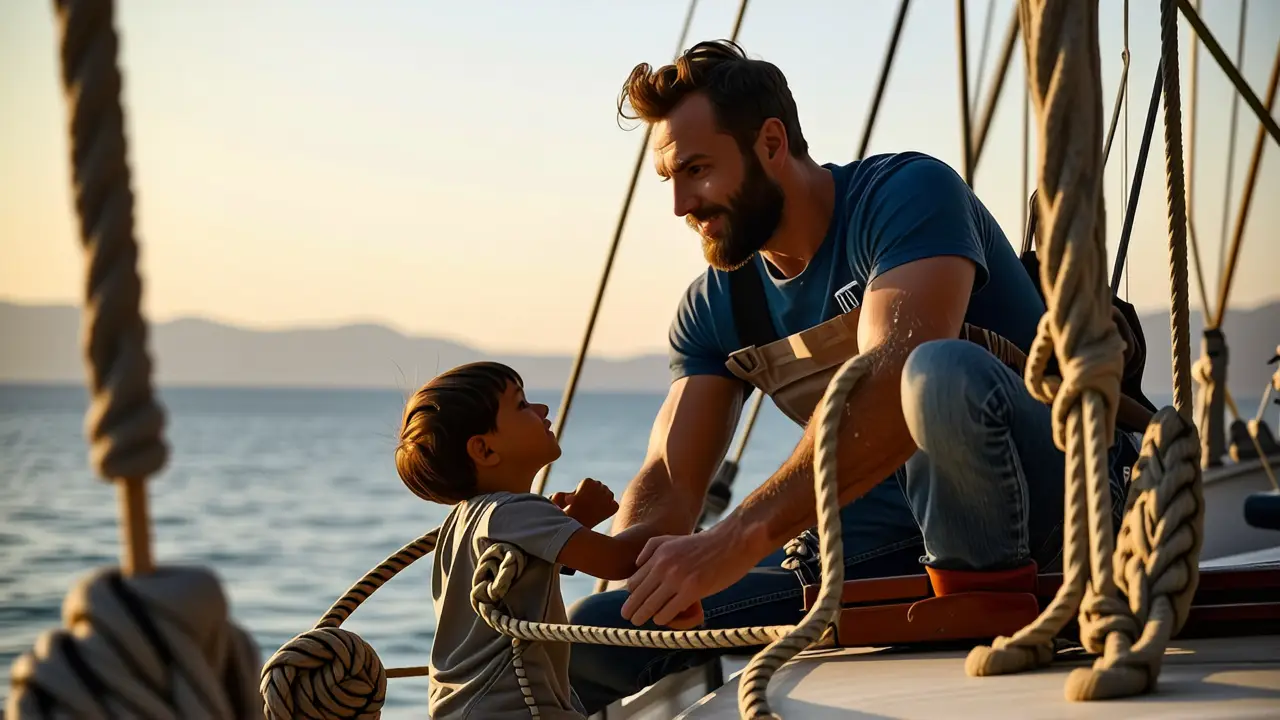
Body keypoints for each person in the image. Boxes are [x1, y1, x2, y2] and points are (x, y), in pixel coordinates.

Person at [565, 39, 1140, 714]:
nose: (680, 203)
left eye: (697, 169)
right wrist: (598, 551)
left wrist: (734, 540)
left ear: (771, 143)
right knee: (597, 634)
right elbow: (669, 476)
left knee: (935, 371)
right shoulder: (717, 306)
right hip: (873, 546)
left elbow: (893, 382)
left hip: (1053, 500)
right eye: (670, 178)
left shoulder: (905, 196)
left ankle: (978, 607)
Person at [396, 362, 696, 720]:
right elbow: (619, 561)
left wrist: (575, 522)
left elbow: (520, 576)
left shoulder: (461, 523)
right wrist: (678, 505)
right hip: (517, 709)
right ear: (485, 450)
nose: (542, 409)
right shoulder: (515, 511)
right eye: (521, 404)